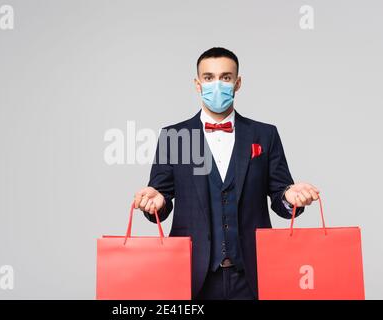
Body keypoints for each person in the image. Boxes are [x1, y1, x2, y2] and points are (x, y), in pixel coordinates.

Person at [133, 47, 320, 300]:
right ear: (197, 84)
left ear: (238, 82)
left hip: (252, 275)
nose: (217, 84)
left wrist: (290, 197)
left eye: (226, 77)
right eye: (209, 78)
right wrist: (155, 203)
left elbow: (280, 197)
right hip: (192, 275)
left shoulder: (265, 134)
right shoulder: (174, 137)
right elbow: (160, 201)